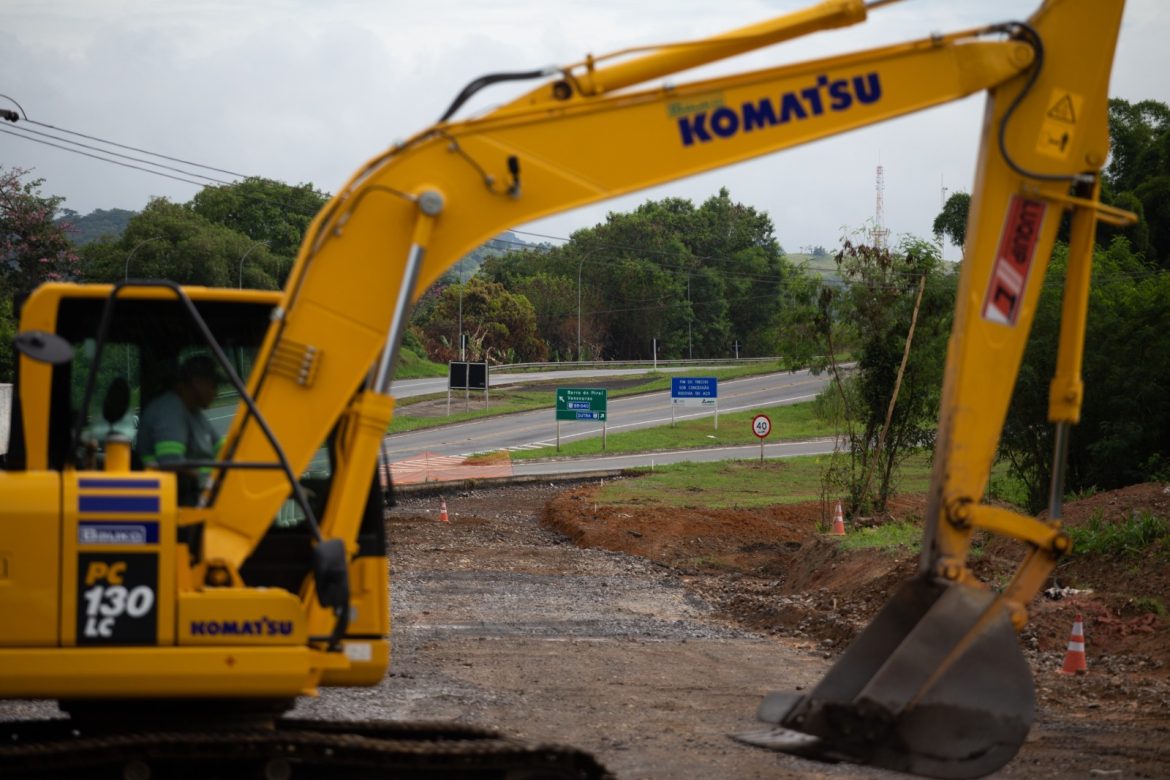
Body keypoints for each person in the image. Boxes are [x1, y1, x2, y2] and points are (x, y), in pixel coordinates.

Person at [136, 355, 221, 504]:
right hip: (174, 501)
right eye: (213, 385)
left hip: (199, 495)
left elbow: (222, 447)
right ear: (197, 383)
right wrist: (209, 482)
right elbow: (171, 464)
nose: (216, 392)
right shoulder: (169, 411)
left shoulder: (195, 413)